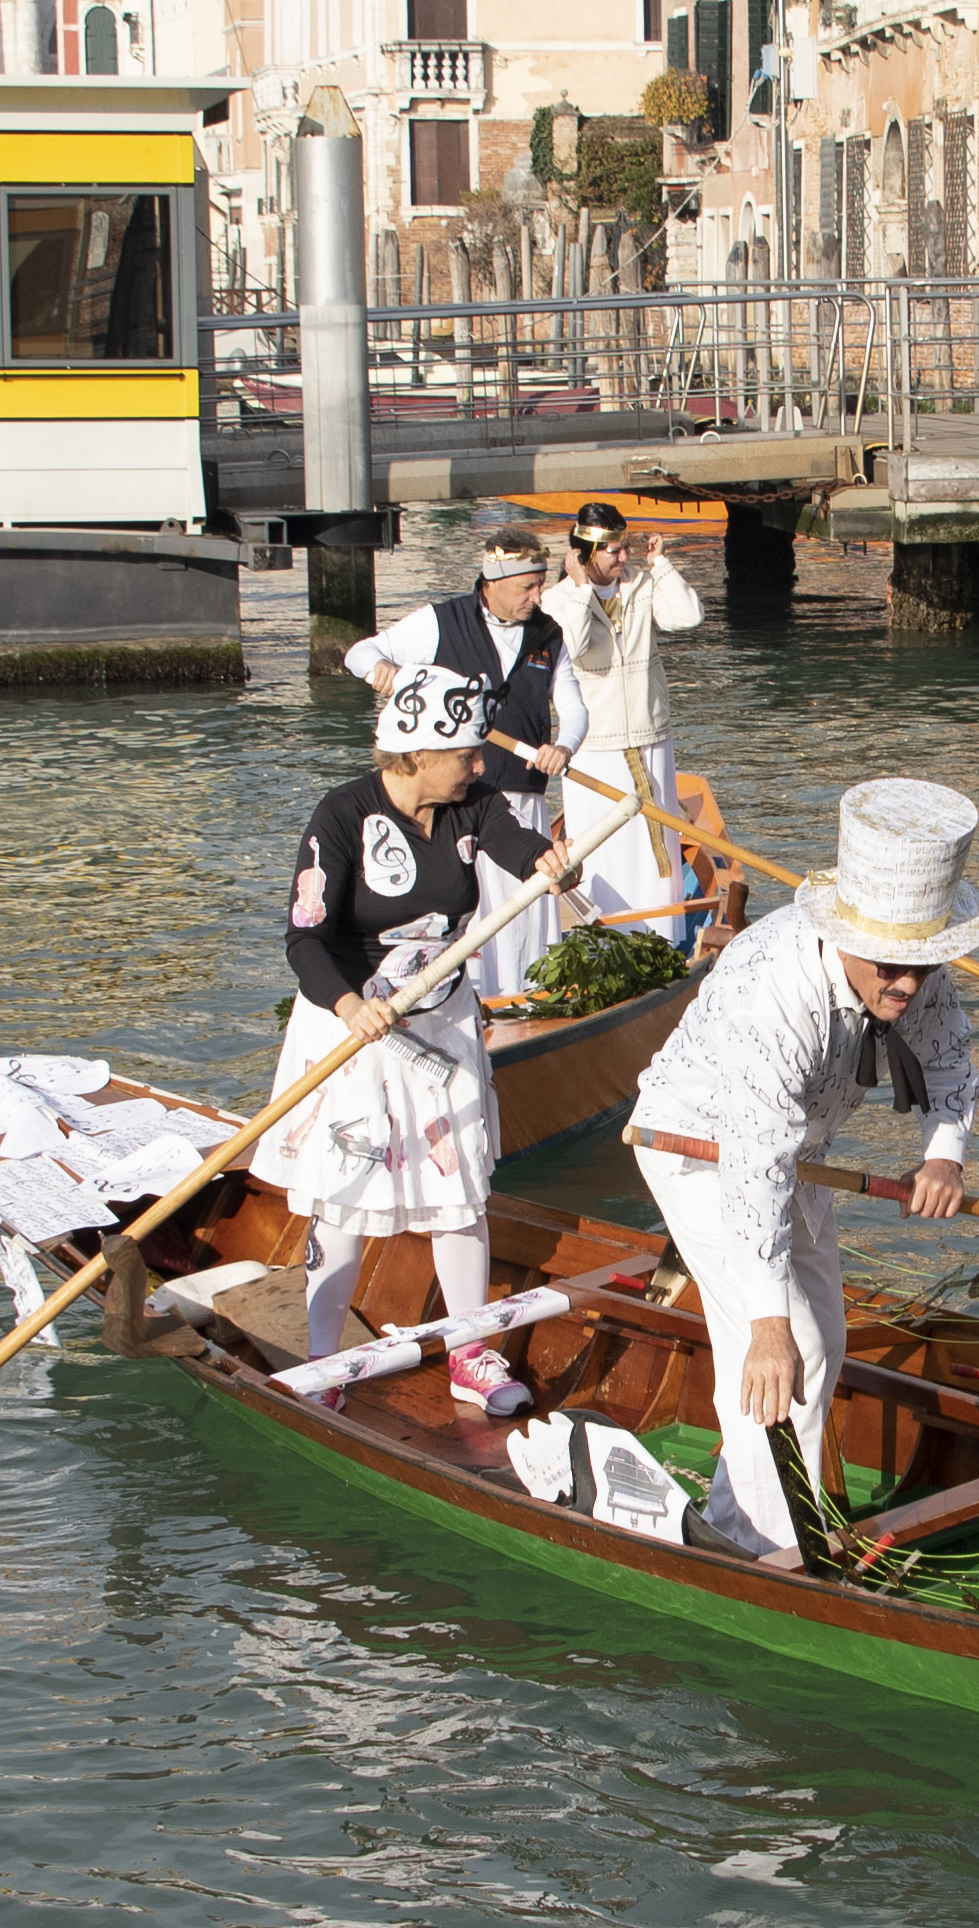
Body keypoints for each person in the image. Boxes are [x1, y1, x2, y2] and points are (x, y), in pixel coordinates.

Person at [620, 779, 979, 1565]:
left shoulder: (911, 976)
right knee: (784, 1347)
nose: (907, 985)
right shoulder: (774, 992)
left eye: (922, 965)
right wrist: (764, 1325)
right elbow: (753, 1163)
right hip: (697, 1146)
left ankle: (742, 1517)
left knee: (821, 1338)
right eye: (892, 964)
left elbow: (951, 1066)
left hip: (800, 1154)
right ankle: (766, 1539)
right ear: (845, 935)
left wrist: (942, 1155)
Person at [261, 670, 586, 1414]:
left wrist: (551, 859)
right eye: (466, 754)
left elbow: (516, 842)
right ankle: (324, 1360)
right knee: (345, 1201)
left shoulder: (473, 804)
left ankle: (468, 1352)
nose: (479, 765)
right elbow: (304, 940)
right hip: (356, 1028)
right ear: (415, 754)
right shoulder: (340, 816)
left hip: (440, 1022)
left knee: (460, 1194)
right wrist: (350, 1005)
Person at [351, 530, 580, 1000]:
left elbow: (574, 709)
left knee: (521, 920)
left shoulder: (548, 633)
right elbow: (360, 652)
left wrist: (564, 746)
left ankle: (519, 1000)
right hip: (455, 800)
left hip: (521, 795)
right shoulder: (441, 622)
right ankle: (467, 999)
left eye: (540, 585)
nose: (537, 598)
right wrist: (380, 669)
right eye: (527, 587)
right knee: (468, 909)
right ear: (493, 581)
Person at [540, 503, 704, 924]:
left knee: (656, 844)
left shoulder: (642, 585)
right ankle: (609, 928)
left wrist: (661, 564)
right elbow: (570, 647)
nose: (623, 557)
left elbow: (688, 616)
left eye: (626, 547)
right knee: (604, 844)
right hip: (596, 744)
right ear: (584, 553)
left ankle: (663, 928)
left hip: (651, 735)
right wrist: (579, 589)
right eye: (613, 550)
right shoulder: (557, 600)